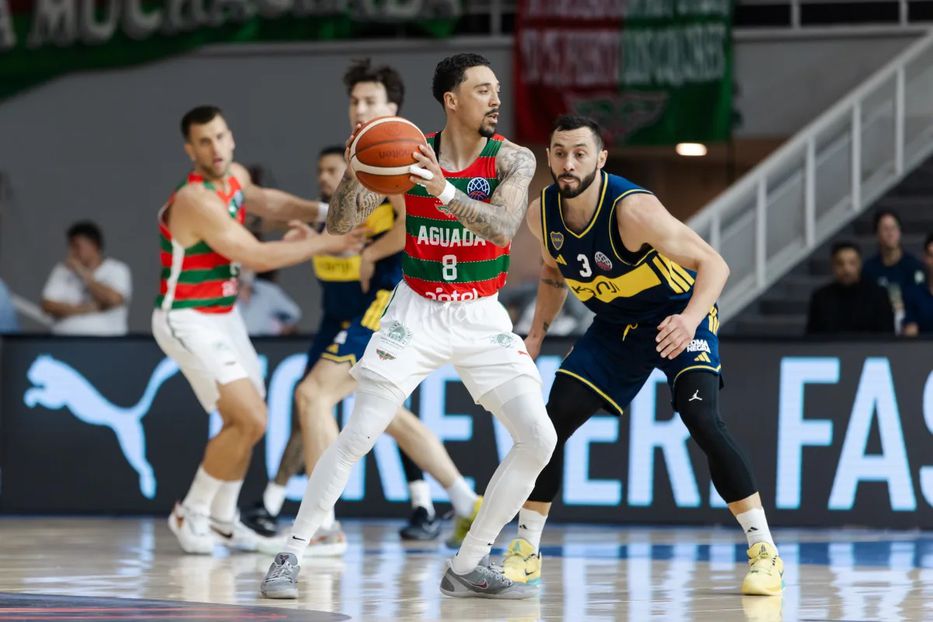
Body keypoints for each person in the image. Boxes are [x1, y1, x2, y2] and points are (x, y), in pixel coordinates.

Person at [261, 53, 556, 600]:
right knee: (359, 433)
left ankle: (468, 563)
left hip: (480, 312)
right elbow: (341, 223)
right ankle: (291, 553)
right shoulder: (406, 152)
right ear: (451, 100)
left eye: (496, 89)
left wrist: (443, 189)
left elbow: (501, 230)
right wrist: (354, 170)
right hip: (416, 309)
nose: (496, 99)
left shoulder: (512, 158)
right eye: (483, 90)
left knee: (539, 438)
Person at [499, 115, 784, 597]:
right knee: (551, 422)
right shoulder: (541, 214)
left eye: (580, 153)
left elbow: (715, 264)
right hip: (616, 326)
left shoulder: (632, 210)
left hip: (677, 314)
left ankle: (764, 552)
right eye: (560, 153)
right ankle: (526, 549)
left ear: (601, 159)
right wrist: (535, 336)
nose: (569, 163)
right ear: (548, 156)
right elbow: (552, 273)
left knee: (701, 417)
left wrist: (689, 320)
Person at [242, 61, 481, 552]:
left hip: (390, 296)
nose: (360, 108)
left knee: (313, 396)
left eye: (370, 101)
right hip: (377, 301)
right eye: (355, 101)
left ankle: (323, 525)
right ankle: (465, 501)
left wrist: (370, 254)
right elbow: (348, 226)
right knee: (383, 411)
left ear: (393, 107)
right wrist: (317, 233)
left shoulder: (402, 150)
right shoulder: (364, 154)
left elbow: (410, 224)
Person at [153, 105, 365, 555]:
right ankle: (191, 511)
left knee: (250, 421)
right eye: (204, 141)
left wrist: (324, 211)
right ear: (190, 150)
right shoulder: (194, 200)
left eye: (220, 136)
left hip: (222, 314)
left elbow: (266, 202)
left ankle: (223, 520)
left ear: (231, 138)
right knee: (248, 417)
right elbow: (256, 257)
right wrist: (329, 239)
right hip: (186, 317)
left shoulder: (235, 177)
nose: (215, 148)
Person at [41, 221, 132, 335]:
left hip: (107, 341)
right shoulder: (62, 270)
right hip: (64, 341)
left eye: (77, 246)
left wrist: (83, 273)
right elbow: (48, 306)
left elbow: (113, 300)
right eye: (70, 246)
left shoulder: (117, 269)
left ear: (93, 245)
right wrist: (86, 309)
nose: (71, 252)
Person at [806, 242, 894, 335]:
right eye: (840, 264)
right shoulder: (820, 298)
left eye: (852, 263)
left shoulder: (878, 296)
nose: (846, 269)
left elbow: (887, 336)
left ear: (859, 264)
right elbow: (811, 337)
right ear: (833, 266)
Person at [862, 209, 925, 331]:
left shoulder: (914, 266)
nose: (890, 233)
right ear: (876, 234)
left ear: (900, 231)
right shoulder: (868, 269)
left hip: (911, 326)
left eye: (894, 228)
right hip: (879, 327)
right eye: (885, 229)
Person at [237, 269, 301, 336]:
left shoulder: (266, 290)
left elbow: (294, 313)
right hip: (237, 340)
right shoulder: (230, 293)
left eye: (246, 267)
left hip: (266, 340)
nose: (243, 270)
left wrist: (279, 326)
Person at [902, 233, 933, 335]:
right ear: (925, 258)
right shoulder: (913, 293)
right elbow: (910, 329)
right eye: (932, 256)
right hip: (923, 345)